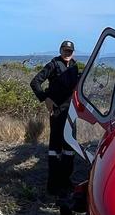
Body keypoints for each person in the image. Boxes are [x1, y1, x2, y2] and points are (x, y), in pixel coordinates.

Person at [30, 40, 80, 196]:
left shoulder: (74, 65)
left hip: (71, 112)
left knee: (69, 148)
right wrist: (45, 98)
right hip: (57, 112)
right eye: (65, 50)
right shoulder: (53, 64)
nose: (67, 53)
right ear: (60, 50)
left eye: (70, 51)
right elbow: (35, 82)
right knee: (55, 148)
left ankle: (66, 181)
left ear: (73, 52)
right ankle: (53, 185)